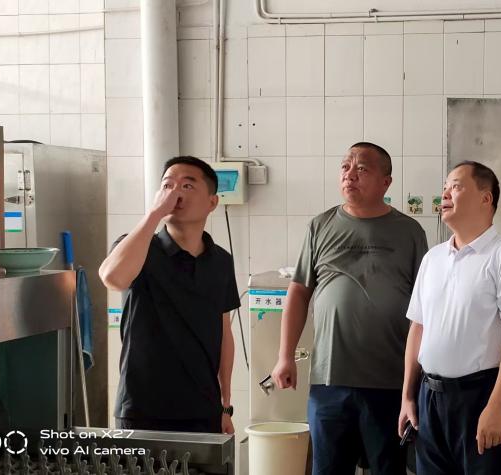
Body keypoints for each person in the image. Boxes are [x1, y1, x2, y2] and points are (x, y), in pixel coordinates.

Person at [269, 142, 428, 475]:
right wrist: (285, 355)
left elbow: (425, 306)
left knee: (388, 468)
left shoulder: (409, 232)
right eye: (345, 166)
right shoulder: (321, 225)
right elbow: (299, 292)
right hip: (330, 378)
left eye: (362, 168)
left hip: (390, 380)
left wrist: (418, 377)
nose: (350, 174)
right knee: (328, 468)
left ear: (386, 182)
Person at [399, 161, 501, 474]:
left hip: (480, 396)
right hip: (429, 396)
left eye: (456, 186)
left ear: (486, 198)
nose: (445, 194)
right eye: (445, 187)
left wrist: (498, 405)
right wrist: (408, 396)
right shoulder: (433, 258)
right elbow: (418, 327)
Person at [99, 156, 239, 434]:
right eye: (167, 185)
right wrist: (154, 214)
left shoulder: (221, 261)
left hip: (203, 410)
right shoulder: (138, 247)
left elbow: (224, 331)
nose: (175, 193)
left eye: (187, 185)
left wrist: (225, 405)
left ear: (212, 202)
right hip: (142, 410)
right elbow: (112, 278)